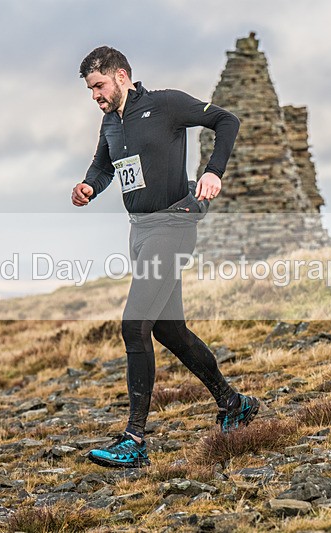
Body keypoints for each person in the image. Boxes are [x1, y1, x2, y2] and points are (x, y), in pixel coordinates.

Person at [71, 46, 259, 468]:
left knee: (134, 325)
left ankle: (134, 441)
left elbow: (226, 120)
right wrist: (88, 186)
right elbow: (105, 168)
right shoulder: (110, 123)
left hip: (172, 225)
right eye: (90, 90)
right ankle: (234, 404)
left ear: (120, 75)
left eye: (98, 85)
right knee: (169, 331)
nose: (95, 96)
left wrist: (213, 170)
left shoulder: (166, 104)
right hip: (139, 232)